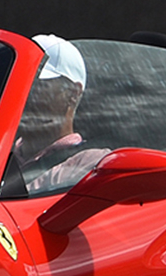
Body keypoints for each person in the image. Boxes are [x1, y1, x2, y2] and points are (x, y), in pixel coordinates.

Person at [11, 35, 112, 196]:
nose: (25, 93)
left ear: (73, 93)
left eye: (37, 84)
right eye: (18, 82)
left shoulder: (91, 163)